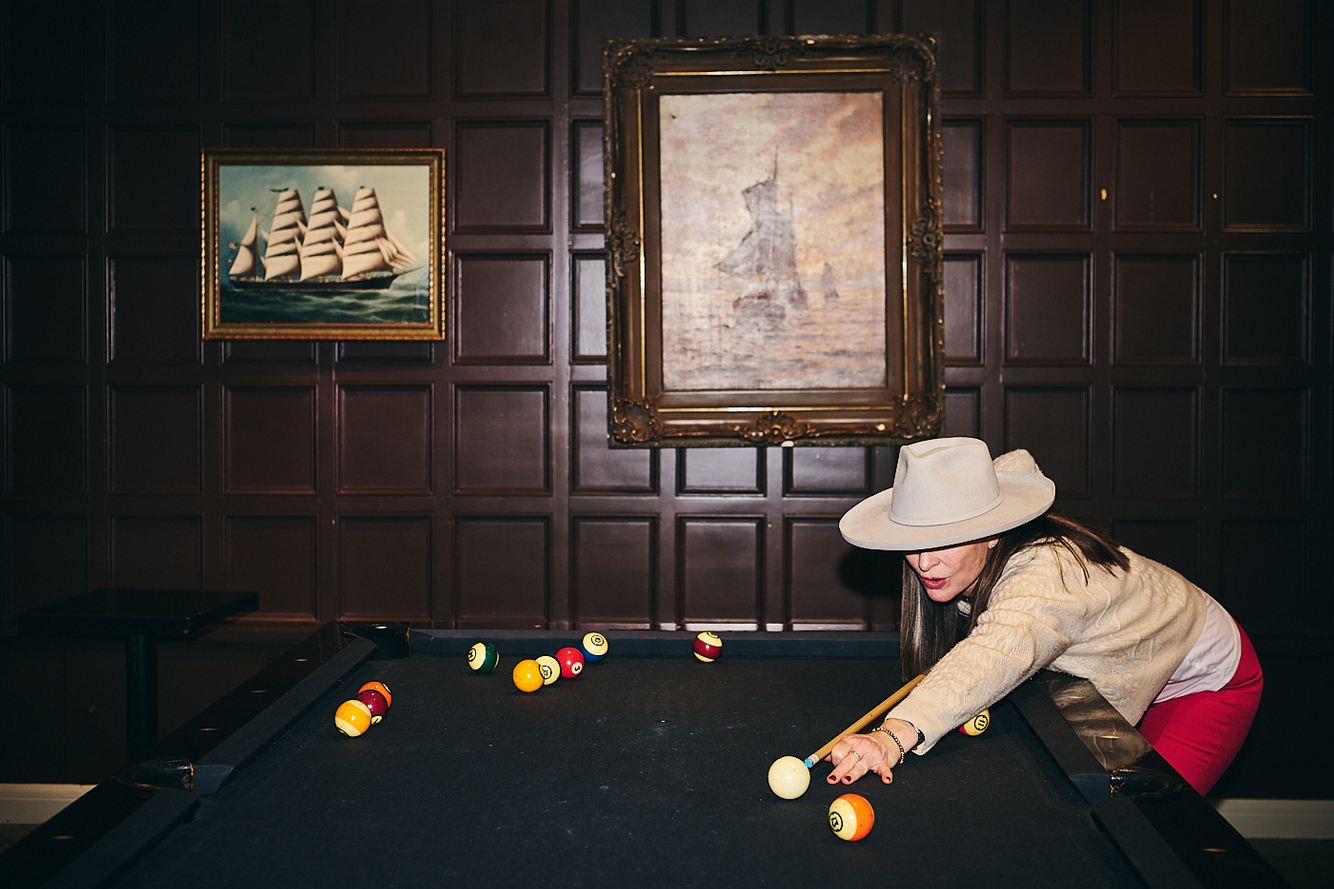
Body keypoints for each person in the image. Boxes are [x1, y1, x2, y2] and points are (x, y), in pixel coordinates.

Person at [827, 437, 1262, 796]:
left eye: (944, 539)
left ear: (993, 531)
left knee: (1154, 818)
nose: (924, 563)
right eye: (913, 540)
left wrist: (893, 735)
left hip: (1205, 674)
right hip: (1138, 650)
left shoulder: (1047, 575)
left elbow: (999, 648)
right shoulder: (980, 532)